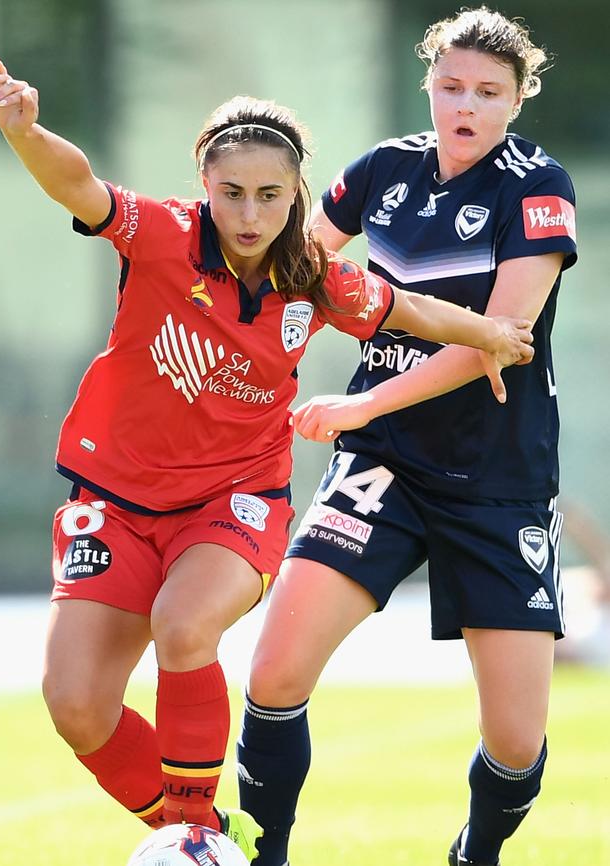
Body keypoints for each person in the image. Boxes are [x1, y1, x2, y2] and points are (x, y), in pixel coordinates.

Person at [0, 52, 531, 863]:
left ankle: (196, 831)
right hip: (114, 495)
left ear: (294, 196)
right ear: (205, 185)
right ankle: (208, 837)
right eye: (232, 193)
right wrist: (26, 135)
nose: (249, 213)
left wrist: (490, 331)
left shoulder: (314, 277)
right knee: (76, 706)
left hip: (231, 502)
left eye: (270, 196)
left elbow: (407, 308)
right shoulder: (161, 235)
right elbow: (79, 187)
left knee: (184, 623)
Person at [237, 7, 576, 866]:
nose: (466, 106)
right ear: (429, 83)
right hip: (382, 462)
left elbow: (498, 340)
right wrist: (241, 358)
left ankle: (477, 854)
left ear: (517, 100)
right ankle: (260, 854)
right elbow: (295, 271)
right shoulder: (383, 171)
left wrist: (357, 406)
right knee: (275, 673)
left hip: (498, 477)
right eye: (451, 86)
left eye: (488, 93)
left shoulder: (538, 187)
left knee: (515, 743)